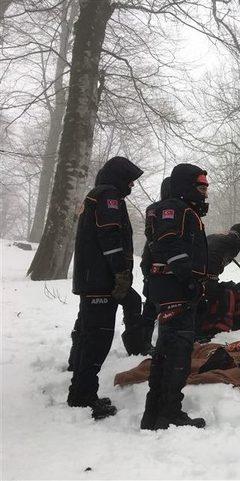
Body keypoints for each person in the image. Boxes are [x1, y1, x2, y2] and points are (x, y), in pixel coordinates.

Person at [67, 156, 143, 420]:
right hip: (101, 280)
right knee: (97, 338)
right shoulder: (108, 196)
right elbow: (110, 235)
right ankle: (83, 394)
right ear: (119, 177)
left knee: (89, 332)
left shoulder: (97, 195)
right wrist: (120, 271)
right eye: (130, 180)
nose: (132, 185)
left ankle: (79, 386)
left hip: (93, 279)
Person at [140, 163, 210, 430]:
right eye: (200, 186)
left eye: (205, 186)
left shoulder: (184, 211)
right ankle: (167, 413)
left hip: (173, 288)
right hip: (175, 289)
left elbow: (155, 248)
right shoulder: (174, 210)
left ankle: (155, 413)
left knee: (167, 351)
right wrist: (188, 280)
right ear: (185, 186)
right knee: (176, 353)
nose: (204, 191)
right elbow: (168, 243)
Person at [139, 177, 173, 355]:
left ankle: (144, 342)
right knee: (165, 308)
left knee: (151, 306)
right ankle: (159, 345)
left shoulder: (152, 209)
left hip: (150, 260)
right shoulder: (173, 210)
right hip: (164, 264)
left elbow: (150, 238)